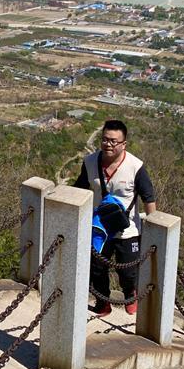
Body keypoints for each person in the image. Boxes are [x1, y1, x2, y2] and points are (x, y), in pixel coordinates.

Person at [73, 119, 156, 317]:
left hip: (127, 229)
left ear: (123, 144)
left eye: (113, 141)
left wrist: (154, 227)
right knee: (97, 269)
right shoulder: (90, 162)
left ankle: (130, 295)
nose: (108, 144)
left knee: (128, 270)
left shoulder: (136, 167)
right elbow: (78, 189)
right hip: (99, 228)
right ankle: (103, 303)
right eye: (105, 139)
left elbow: (148, 197)